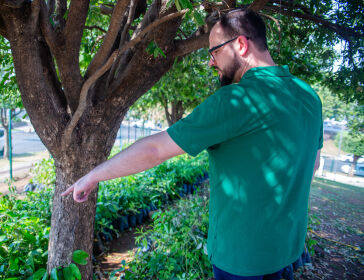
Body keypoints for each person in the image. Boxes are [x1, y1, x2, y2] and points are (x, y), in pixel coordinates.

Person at [62, 8, 323, 280]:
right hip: (287, 250)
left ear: (241, 45)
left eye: (215, 51)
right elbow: (312, 165)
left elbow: (154, 151)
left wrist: (92, 176)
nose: (211, 63)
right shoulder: (309, 96)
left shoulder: (237, 101)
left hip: (242, 259)